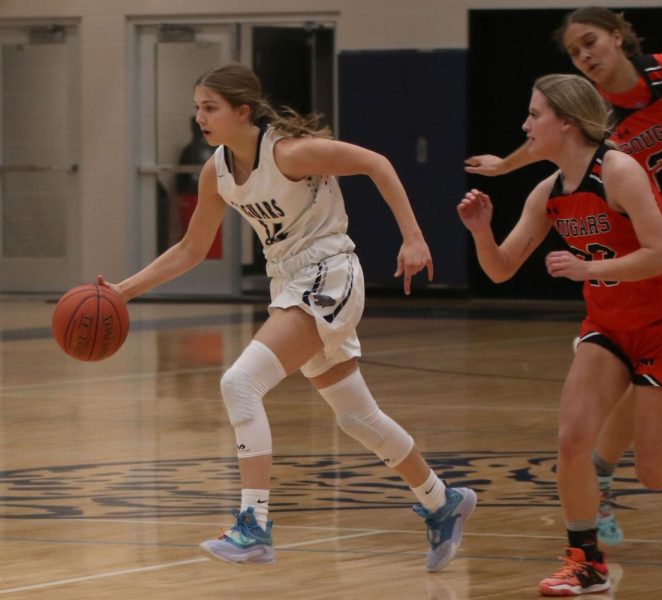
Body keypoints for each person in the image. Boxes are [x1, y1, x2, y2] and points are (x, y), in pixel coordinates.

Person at [98, 63, 476, 571]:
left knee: (239, 384)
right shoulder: (218, 171)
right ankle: (441, 502)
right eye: (196, 108)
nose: (200, 118)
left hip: (329, 272)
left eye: (210, 108)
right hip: (290, 281)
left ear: (242, 112)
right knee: (356, 417)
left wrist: (413, 236)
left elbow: (377, 163)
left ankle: (253, 525)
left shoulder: (289, 153)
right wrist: (123, 292)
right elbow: (190, 248)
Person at [464, 6, 662, 546]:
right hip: (617, 299)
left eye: (591, 42)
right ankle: (587, 542)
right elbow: (544, 143)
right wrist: (494, 192)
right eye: (574, 51)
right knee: (575, 436)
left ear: (618, 37)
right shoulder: (578, 146)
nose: (585, 55)